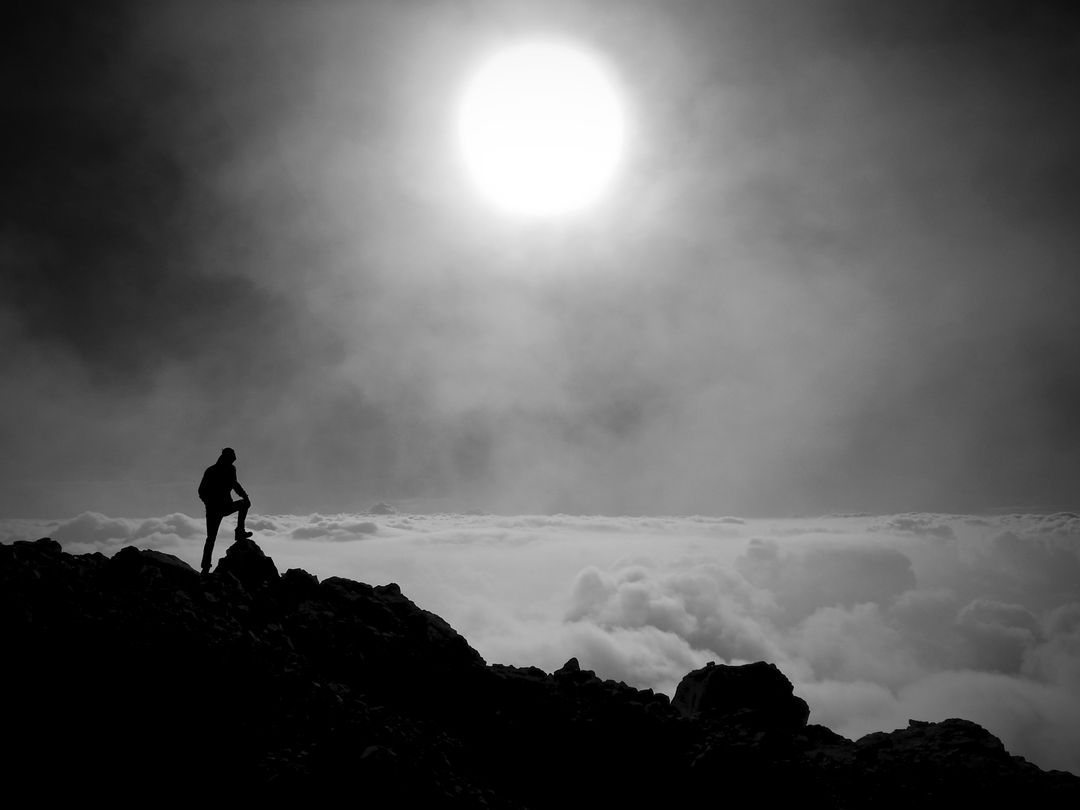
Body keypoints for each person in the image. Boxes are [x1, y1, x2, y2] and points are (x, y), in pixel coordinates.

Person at [198, 447, 252, 575]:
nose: (234, 459)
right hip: (213, 510)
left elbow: (234, 484)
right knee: (211, 538)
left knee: (244, 504)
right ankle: (205, 567)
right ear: (226, 457)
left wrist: (245, 496)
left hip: (225, 506)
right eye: (232, 457)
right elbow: (201, 491)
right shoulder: (211, 471)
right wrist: (209, 503)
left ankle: (240, 532)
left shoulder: (231, 469)